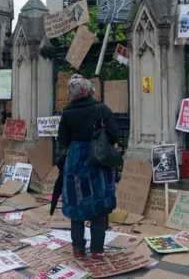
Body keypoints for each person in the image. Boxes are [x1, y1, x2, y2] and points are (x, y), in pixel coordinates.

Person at [57, 74, 118, 260]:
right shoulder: (101, 109)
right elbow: (115, 135)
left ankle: (78, 249)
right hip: (96, 160)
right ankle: (97, 249)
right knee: (98, 205)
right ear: (89, 89)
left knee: (77, 205)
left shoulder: (66, 113)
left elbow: (62, 141)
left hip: (75, 162)